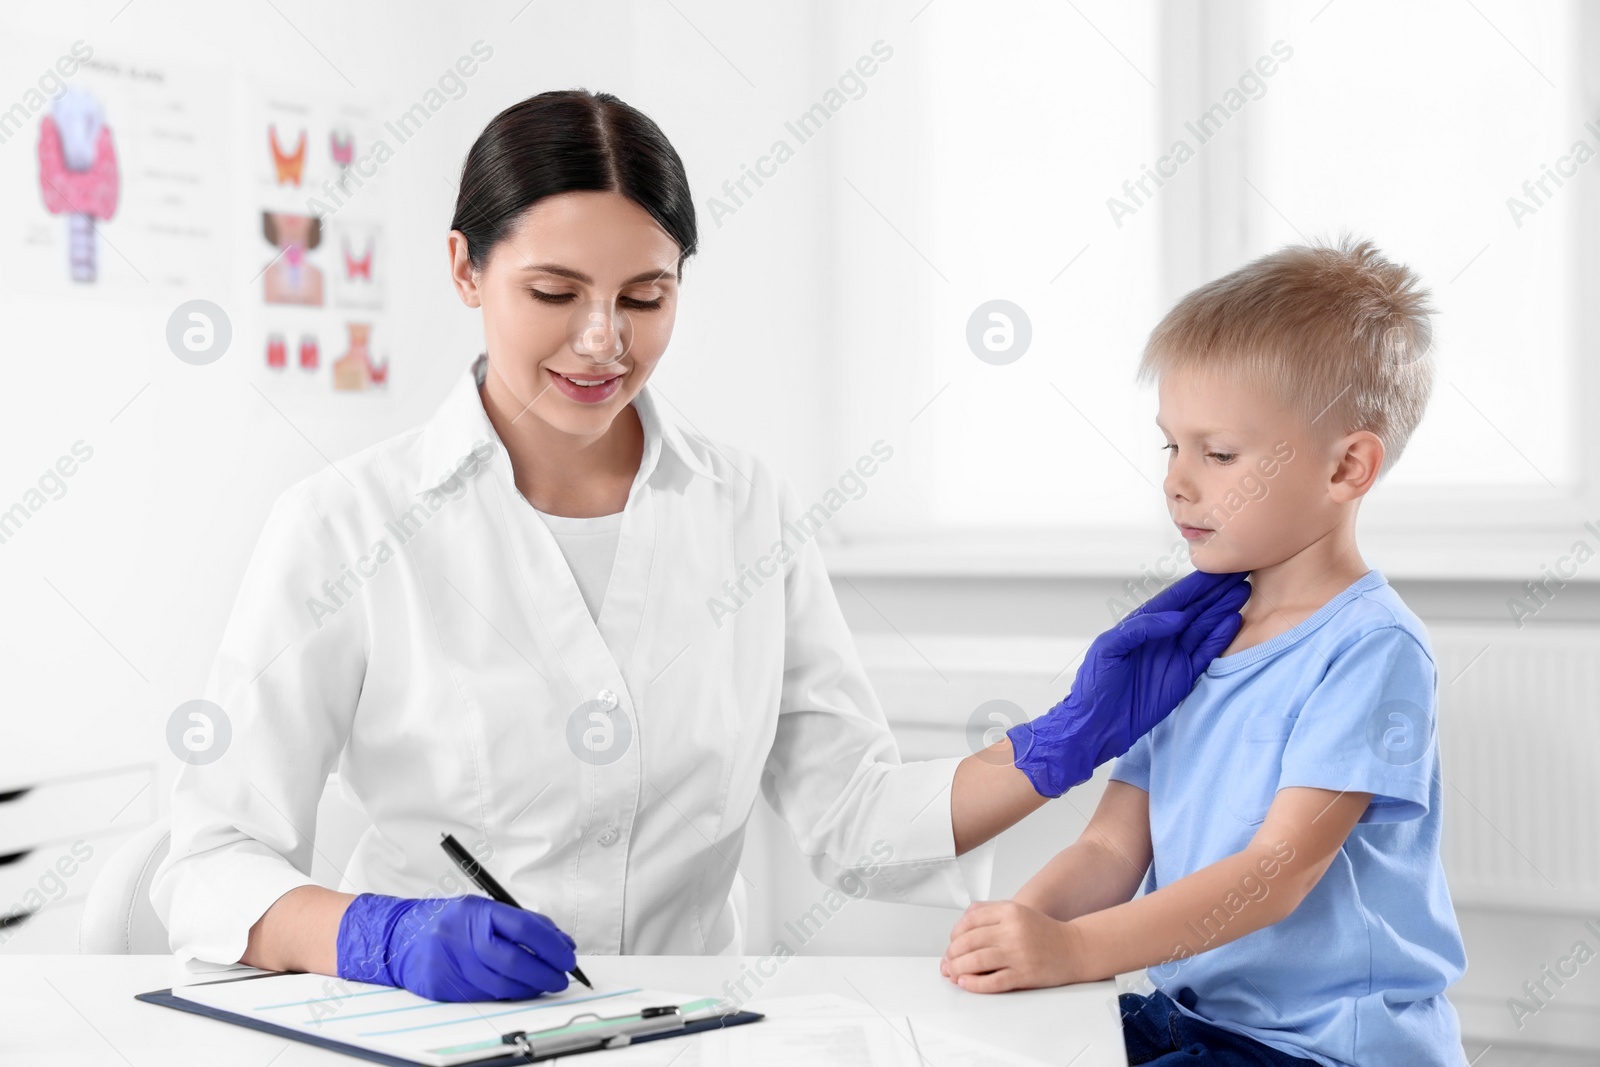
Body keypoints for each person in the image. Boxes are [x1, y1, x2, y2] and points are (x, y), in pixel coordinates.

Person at [150, 89, 1247, 1004]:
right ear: (464, 268)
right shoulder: (342, 523)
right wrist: (374, 935)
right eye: (553, 293)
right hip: (423, 1029)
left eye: (645, 296)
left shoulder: (745, 507)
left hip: (687, 1024)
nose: (603, 342)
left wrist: (1063, 738)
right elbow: (206, 862)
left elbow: (852, 821)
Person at [941, 239, 1468, 1067]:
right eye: (1170, 446)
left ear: (1348, 467)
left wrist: (1075, 953)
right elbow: (1114, 848)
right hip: (1193, 1018)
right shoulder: (1193, 639)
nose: (1177, 481)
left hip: (1323, 1048)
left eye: (1218, 453)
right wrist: (1017, 932)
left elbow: (1279, 870)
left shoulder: (1372, 648)